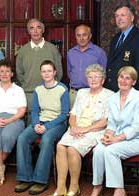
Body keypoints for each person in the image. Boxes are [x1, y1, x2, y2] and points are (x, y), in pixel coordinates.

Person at [48, 64, 114, 196]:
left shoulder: (110, 95)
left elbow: (105, 121)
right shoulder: (81, 93)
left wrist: (84, 129)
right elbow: (73, 114)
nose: (93, 80)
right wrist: (73, 127)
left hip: (94, 130)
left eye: (96, 77)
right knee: (61, 146)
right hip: (75, 128)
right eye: (90, 77)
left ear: (103, 79)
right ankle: (60, 188)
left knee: (73, 149)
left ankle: (74, 187)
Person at [91, 66, 139, 196]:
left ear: (133, 82)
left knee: (111, 151)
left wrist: (116, 139)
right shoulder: (112, 98)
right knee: (99, 149)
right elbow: (111, 123)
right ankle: (97, 185)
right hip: (117, 138)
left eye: (127, 78)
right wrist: (108, 135)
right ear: (117, 79)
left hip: (138, 140)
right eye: (121, 77)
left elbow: (137, 127)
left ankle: (119, 190)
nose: (123, 80)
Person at [14, 60, 69, 195]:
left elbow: (64, 114)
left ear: (55, 72)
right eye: (44, 71)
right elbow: (34, 110)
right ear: (41, 73)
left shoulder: (62, 89)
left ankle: (40, 180)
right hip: (40, 122)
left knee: (47, 139)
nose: (47, 73)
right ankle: (26, 178)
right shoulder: (38, 89)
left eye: (49, 71)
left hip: (57, 124)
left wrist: (47, 127)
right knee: (22, 138)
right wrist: (36, 123)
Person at [0, 59, 27, 185]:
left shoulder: (18, 90)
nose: (4, 74)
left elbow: (22, 110)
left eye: (7, 71)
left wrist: (9, 120)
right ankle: (1, 169)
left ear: (12, 73)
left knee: (7, 136)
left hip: (14, 119)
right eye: (1, 71)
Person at [16, 18, 63, 117]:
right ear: (29, 31)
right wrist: (27, 85)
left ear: (43, 30)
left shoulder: (53, 49)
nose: (35, 31)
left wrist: (51, 88)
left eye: (38, 28)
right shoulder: (22, 51)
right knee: (30, 126)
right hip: (29, 94)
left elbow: (59, 72)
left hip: (49, 93)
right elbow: (19, 73)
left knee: (48, 125)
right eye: (32, 28)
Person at [105, 3, 139, 93]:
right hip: (113, 93)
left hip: (131, 94)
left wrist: (137, 95)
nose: (119, 19)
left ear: (132, 18)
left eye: (123, 15)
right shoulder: (115, 39)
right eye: (117, 16)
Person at [67, 24, 107, 108]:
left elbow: (104, 74)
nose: (81, 38)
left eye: (84, 35)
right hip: (74, 94)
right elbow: (69, 72)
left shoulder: (99, 53)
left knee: (91, 119)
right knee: (73, 119)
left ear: (90, 36)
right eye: (78, 35)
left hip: (92, 93)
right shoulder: (71, 53)